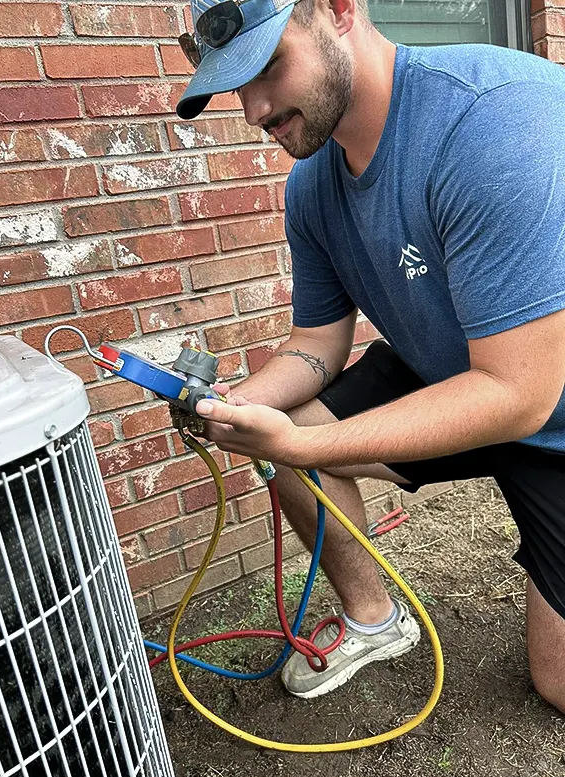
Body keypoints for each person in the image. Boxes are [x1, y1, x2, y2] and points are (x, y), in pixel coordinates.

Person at [175, 0, 565, 711]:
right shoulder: (312, 187)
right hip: (447, 367)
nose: (254, 108)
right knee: (289, 441)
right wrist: (237, 407)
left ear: (339, 9)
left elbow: (522, 393)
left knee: (559, 685)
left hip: (549, 404)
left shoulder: (495, 119)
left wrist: (301, 441)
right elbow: (318, 344)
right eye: (235, 83)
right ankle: (373, 620)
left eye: (268, 64)